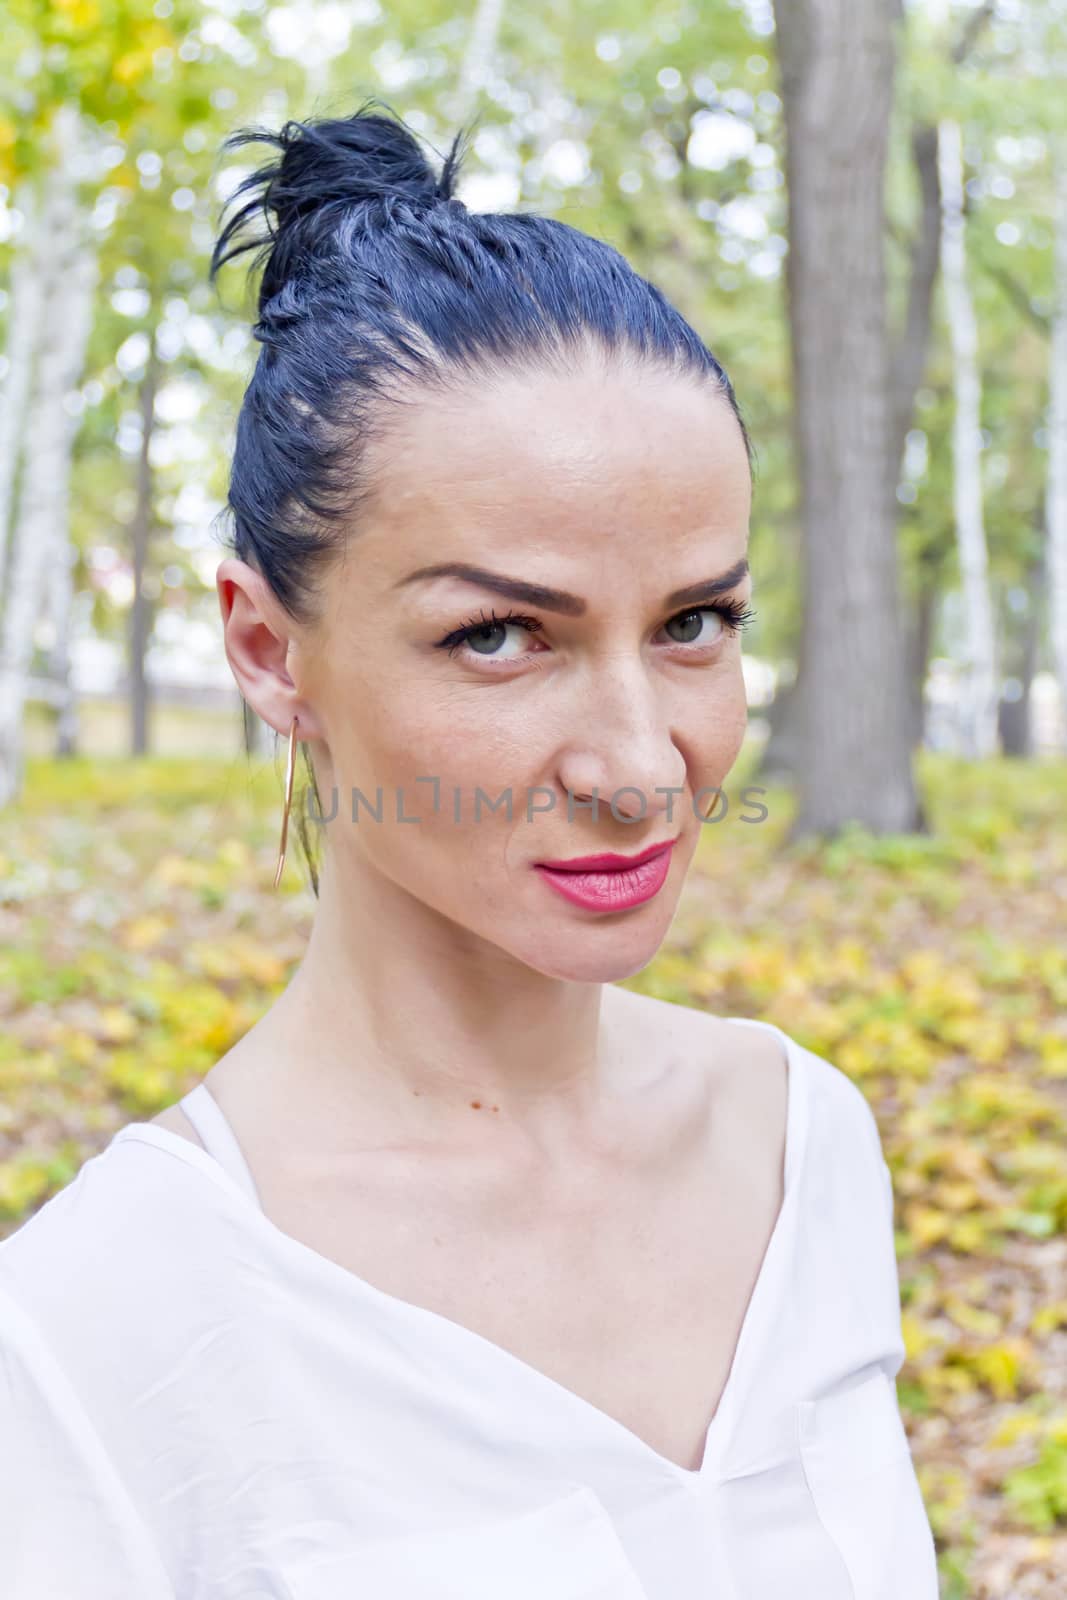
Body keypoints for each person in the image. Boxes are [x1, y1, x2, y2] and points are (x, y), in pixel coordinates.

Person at [0, 100, 939, 1599]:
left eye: (694, 623)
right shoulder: (98, 1332)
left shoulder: (803, 1145)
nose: (642, 768)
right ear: (266, 647)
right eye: (501, 635)